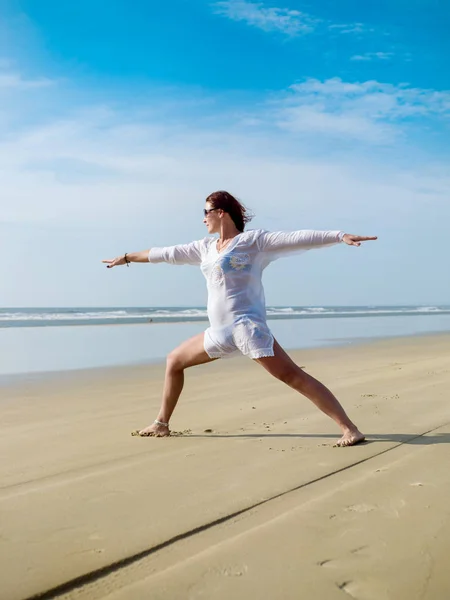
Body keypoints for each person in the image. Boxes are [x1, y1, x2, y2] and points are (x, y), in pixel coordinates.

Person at [103, 191, 377, 446]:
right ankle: (161, 424)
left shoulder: (253, 242)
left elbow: (298, 237)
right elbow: (162, 253)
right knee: (174, 361)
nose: (203, 218)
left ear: (221, 212)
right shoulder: (205, 248)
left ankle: (349, 429)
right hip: (219, 332)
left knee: (293, 376)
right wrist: (127, 257)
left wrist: (339, 236)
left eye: (206, 211)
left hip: (247, 327)